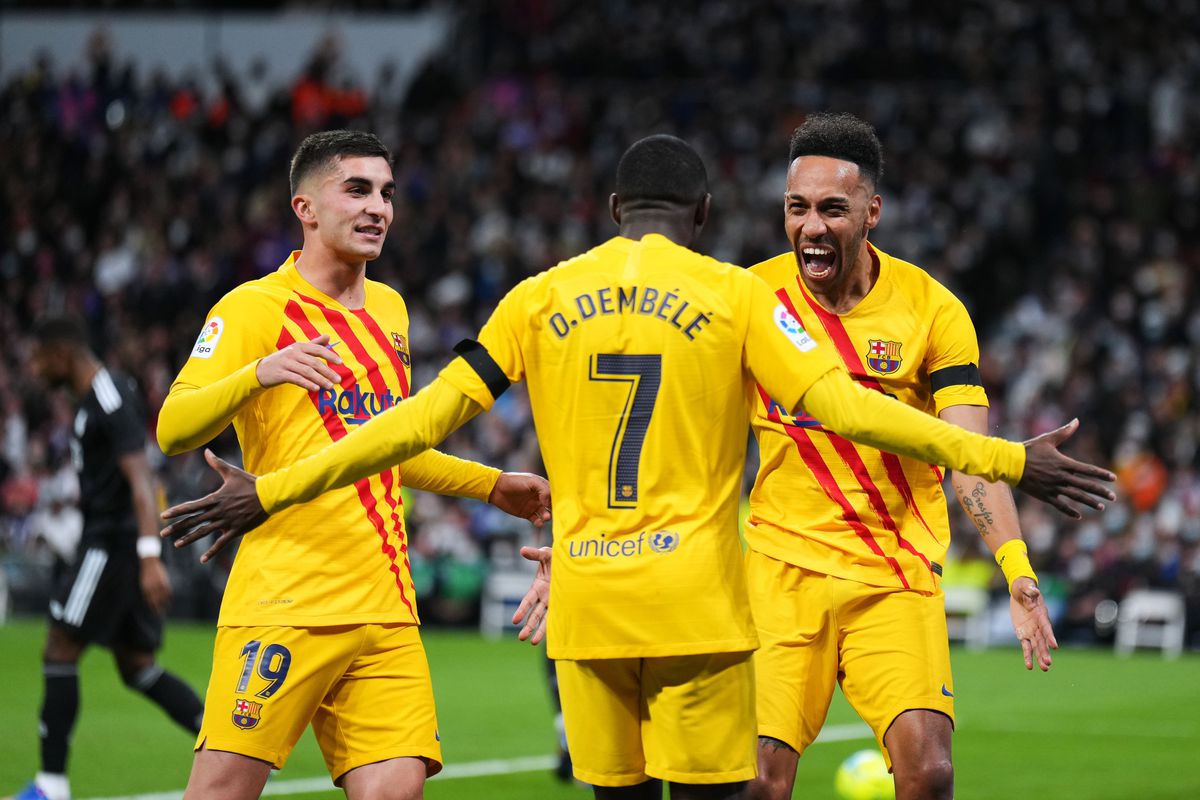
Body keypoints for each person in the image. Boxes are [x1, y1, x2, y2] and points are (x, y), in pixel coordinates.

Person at [158, 135, 1114, 800]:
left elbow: (411, 425)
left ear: (612, 211)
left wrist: (273, 488)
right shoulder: (740, 297)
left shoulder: (538, 297)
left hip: (588, 608)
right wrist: (1006, 458)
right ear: (705, 211)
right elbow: (846, 406)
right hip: (701, 602)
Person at [154, 130, 551, 800]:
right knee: (220, 792)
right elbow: (172, 428)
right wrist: (258, 373)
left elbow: (384, 446)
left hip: (385, 605)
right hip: (286, 600)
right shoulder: (255, 308)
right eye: (358, 189)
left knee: (396, 793)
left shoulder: (391, 310)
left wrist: (490, 485)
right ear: (305, 207)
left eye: (388, 193)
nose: (379, 208)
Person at [742, 112, 1067, 800]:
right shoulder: (750, 302)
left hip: (893, 575)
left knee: (928, 773)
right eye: (797, 208)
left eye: (833, 209)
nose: (812, 227)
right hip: (779, 571)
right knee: (757, 783)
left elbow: (971, 454)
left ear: (872, 211)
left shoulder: (932, 310)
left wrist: (1016, 569)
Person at [7, 317, 205, 800]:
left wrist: (149, 556)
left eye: (38, 358)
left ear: (61, 353)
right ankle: (227, 742)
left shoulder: (108, 395)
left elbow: (141, 482)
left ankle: (51, 786)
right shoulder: (91, 400)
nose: (33, 369)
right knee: (137, 667)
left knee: (59, 648)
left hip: (112, 547)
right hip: (117, 547)